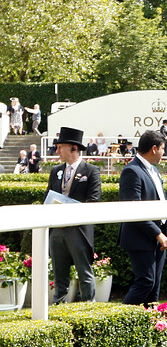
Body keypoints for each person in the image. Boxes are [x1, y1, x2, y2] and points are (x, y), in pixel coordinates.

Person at [118, 130, 167, 305]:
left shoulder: (153, 170)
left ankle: (150, 324)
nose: (164, 153)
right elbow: (133, 208)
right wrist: (156, 233)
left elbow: (161, 200)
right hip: (140, 237)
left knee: (154, 285)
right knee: (146, 282)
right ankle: (124, 317)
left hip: (157, 237)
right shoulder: (132, 171)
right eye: (162, 149)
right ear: (154, 149)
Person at [45, 127, 101, 302]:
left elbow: (94, 200)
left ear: (74, 148)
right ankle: (57, 311)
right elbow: (47, 196)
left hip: (79, 229)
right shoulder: (55, 171)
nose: (57, 151)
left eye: (61, 147)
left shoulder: (91, 170)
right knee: (59, 275)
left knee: (84, 273)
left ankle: (88, 309)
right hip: (57, 229)